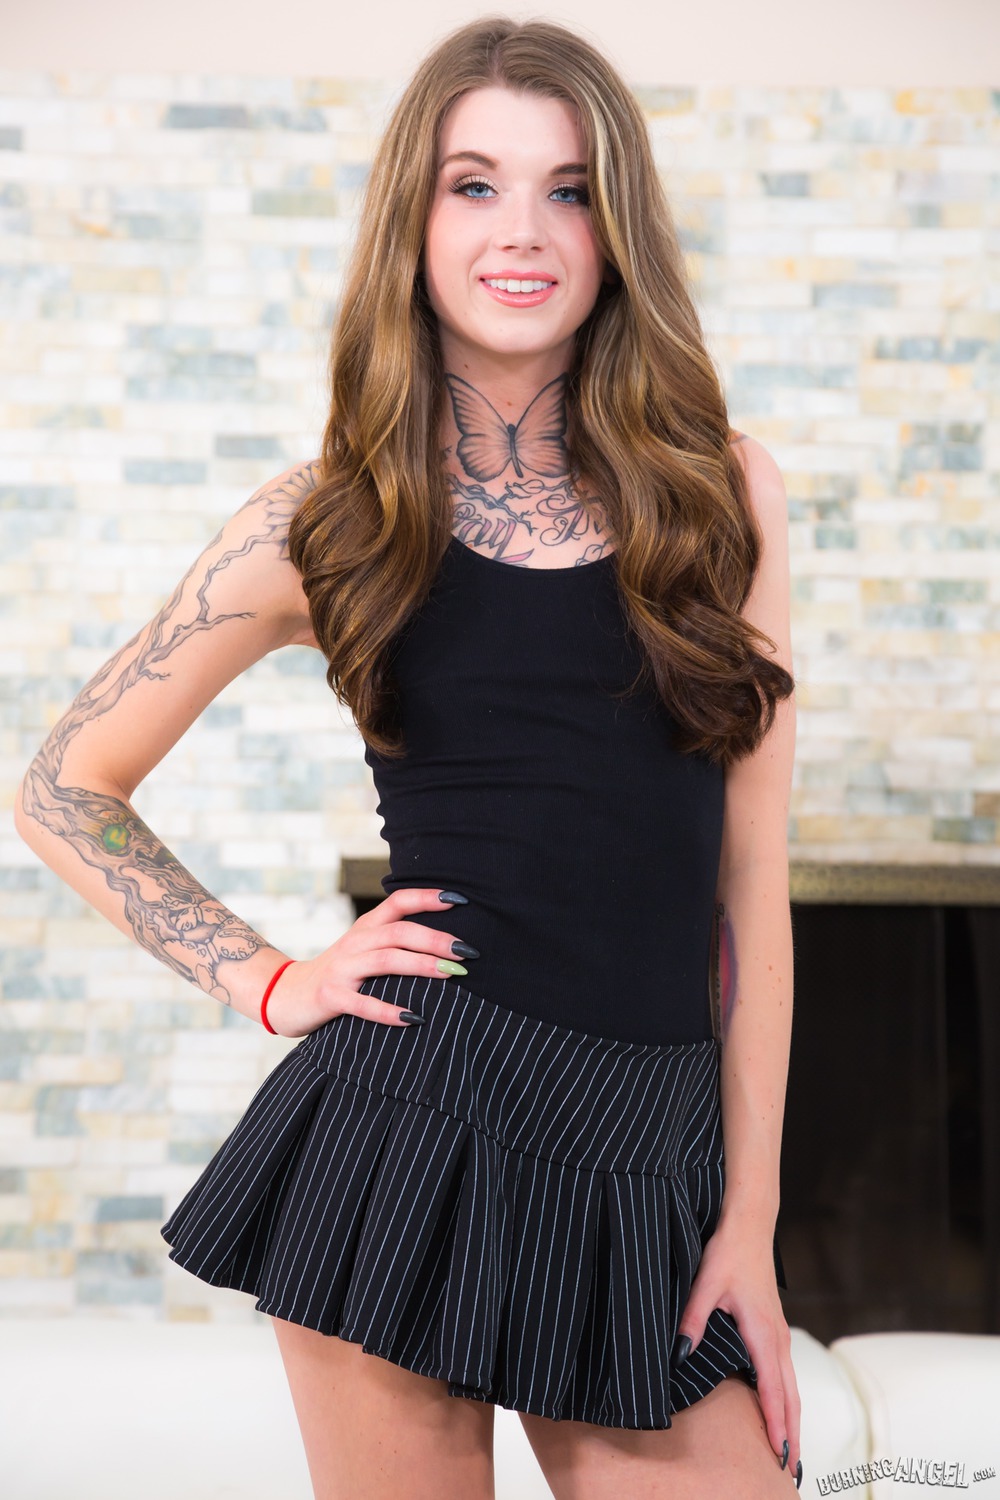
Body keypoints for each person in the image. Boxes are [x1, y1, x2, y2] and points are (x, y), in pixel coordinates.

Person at [14, 14, 802, 1500]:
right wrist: (271, 979)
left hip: (649, 1149)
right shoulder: (323, 519)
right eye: (474, 185)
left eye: (569, 190)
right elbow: (62, 785)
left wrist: (748, 1219)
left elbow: (749, 885)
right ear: (414, 222)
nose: (523, 231)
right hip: (410, 1126)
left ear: (618, 228)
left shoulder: (725, 495)